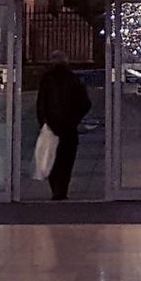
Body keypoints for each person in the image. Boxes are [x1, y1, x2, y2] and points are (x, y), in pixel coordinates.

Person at [36, 53, 91, 200]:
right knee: (66, 160)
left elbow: (41, 104)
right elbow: (85, 103)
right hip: (69, 127)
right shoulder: (73, 79)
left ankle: (55, 189)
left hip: (51, 126)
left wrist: (44, 122)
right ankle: (62, 189)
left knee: (51, 157)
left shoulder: (47, 80)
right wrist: (75, 119)